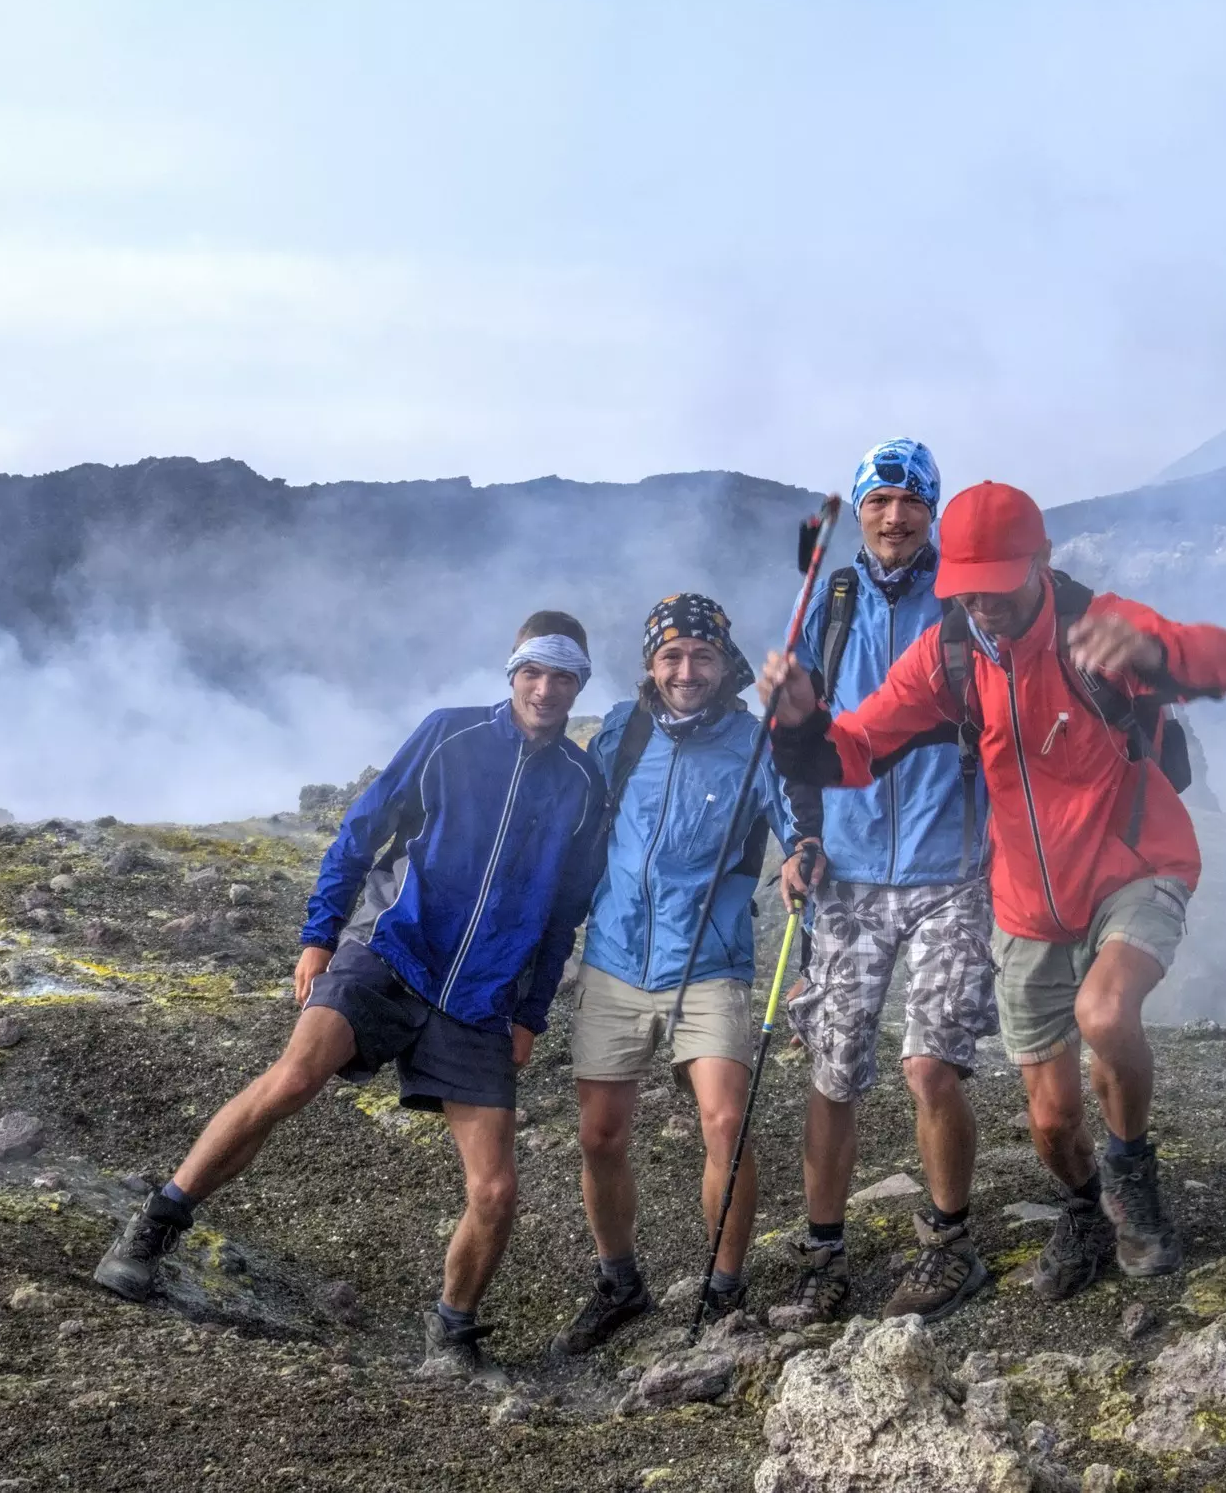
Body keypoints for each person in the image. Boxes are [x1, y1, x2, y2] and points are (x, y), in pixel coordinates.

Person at [761, 481, 1226, 1299]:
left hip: (1136, 866)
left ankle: (1132, 1179)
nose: (983, 604)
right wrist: (802, 719)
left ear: (1043, 561)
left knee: (1105, 1013)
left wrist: (1155, 654)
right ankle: (1086, 1208)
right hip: (1026, 902)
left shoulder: (1096, 626)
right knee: (1052, 1120)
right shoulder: (950, 652)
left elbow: (1223, 658)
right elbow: (850, 753)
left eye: (999, 583)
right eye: (967, 587)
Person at [93, 612, 606, 1382]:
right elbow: (362, 832)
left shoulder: (582, 783)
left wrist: (530, 1014)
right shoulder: (449, 734)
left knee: (496, 1189)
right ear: (511, 672)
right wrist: (319, 934)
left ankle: (452, 1336)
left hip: (480, 997)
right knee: (293, 1079)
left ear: (579, 685)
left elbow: (566, 911)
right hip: (390, 950)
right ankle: (155, 1225)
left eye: (563, 675)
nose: (546, 687)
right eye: (533, 670)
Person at [766, 439, 1001, 1329]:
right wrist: (800, 838)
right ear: (858, 511)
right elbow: (798, 746)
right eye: (879, 501)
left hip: (955, 868)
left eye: (910, 500)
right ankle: (822, 1255)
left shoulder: (965, 598)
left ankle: (946, 1244)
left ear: (931, 510)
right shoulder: (829, 607)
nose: (894, 515)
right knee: (834, 1072)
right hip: (852, 869)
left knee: (930, 1065)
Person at [554, 594, 797, 1353]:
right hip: (617, 957)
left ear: (726, 665)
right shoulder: (621, 735)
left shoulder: (758, 747)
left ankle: (724, 1290)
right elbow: (580, 820)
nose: (686, 671)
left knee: (725, 1121)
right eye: (671, 657)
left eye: (701, 656)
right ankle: (619, 1282)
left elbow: (799, 825)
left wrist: (803, 858)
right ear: (651, 667)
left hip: (712, 961)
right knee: (601, 1135)